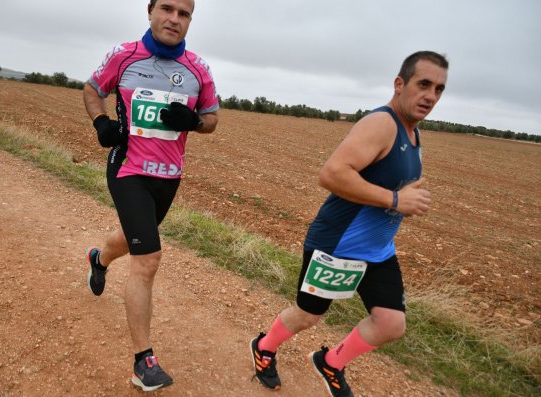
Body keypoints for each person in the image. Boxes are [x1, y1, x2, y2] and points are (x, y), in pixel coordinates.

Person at [250, 51, 448, 397]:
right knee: (308, 315)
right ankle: (264, 347)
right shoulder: (381, 124)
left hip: (378, 250)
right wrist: (396, 200)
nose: (431, 96)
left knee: (390, 323)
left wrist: (401, 196)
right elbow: (332, 174)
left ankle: (331, 362)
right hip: (337, 245)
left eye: (439, 89)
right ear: (400, 84)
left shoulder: (413, 134)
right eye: (424, 84)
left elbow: (385, 183)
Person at [83, 0, 218, 391]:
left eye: (184, 13)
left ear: (190, 20)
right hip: (127, 169)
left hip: (169, 177)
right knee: (148, 258)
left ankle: (99, 258)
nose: (174, 19)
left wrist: (195, 121)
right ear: (150, 10)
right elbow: (92, 89)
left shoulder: (198, 69)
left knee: (135, 239)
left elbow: (212, 119)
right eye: (167, 9)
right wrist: (101, 122)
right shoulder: (124, 57)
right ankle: (144, 361)